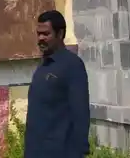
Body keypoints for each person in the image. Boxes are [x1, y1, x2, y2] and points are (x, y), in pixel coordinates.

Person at [25, 10, 90, 158]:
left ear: (60, 34)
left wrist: (80, 150)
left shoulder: (72, 65)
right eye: (38, 34)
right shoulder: (44, 66)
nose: (40, 38)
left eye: (46, 34)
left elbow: (80, 113)